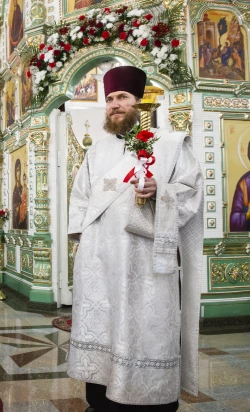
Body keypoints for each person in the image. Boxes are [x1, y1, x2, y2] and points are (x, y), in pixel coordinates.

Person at [67, 66, 203, 411]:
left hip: (145, 261)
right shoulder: (96, 151)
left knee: (145, 328)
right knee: (104, 325)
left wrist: (162, 191)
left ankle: (148, 400)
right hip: (99, 260)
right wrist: (81, 242)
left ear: (141, 103)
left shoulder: (170, 145)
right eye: (110, 98)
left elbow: (191, 193)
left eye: (122, 97)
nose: (114, 104)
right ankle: (102, 397)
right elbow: (80, 198)